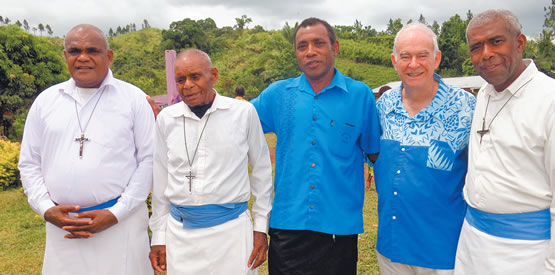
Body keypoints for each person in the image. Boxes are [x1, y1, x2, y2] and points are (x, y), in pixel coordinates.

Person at [454, 9, 555, 274]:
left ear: (519, 42)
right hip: (472, 244)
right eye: (476, 47)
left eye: (496, 41)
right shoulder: (483, 95)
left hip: (527, 253)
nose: (485, 54)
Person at [18, 24, 154, 274]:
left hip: (120, 226)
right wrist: (47, 209)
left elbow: (149, 161)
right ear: (65, 56)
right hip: (64, 228)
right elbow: (29, 162)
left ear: (109, 56)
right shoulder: (46, 101)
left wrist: (116, 213)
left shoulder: (134, 99)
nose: (83, 57)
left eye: (92, 50)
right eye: (74, 51)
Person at [251, 17, 380, 274]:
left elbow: (375, 152)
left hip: (338, 227)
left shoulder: (360, 95)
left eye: (318, 43)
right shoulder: (277, 94)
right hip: (288, 225)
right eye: (302, 46)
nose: (310, 51)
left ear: (335, 47)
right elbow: (235, 122)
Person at [148, 49, 273, 274]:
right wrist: (159, 236)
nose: (187, 85)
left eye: (195, 77)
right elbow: (161, 179)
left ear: (213, 75)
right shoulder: (167, 119)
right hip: (180, 236)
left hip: (232, 233)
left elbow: (262, 172)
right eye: (181, 79)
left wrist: (261, 228)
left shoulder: (243, 113)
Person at [374, 22, 476, 275]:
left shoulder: (466, 107)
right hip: (392, 249)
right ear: (394, 61)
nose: (413, 64)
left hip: (444, 252)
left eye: (422, 55)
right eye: (405, 56)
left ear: (437, 58)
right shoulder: (383, 105)